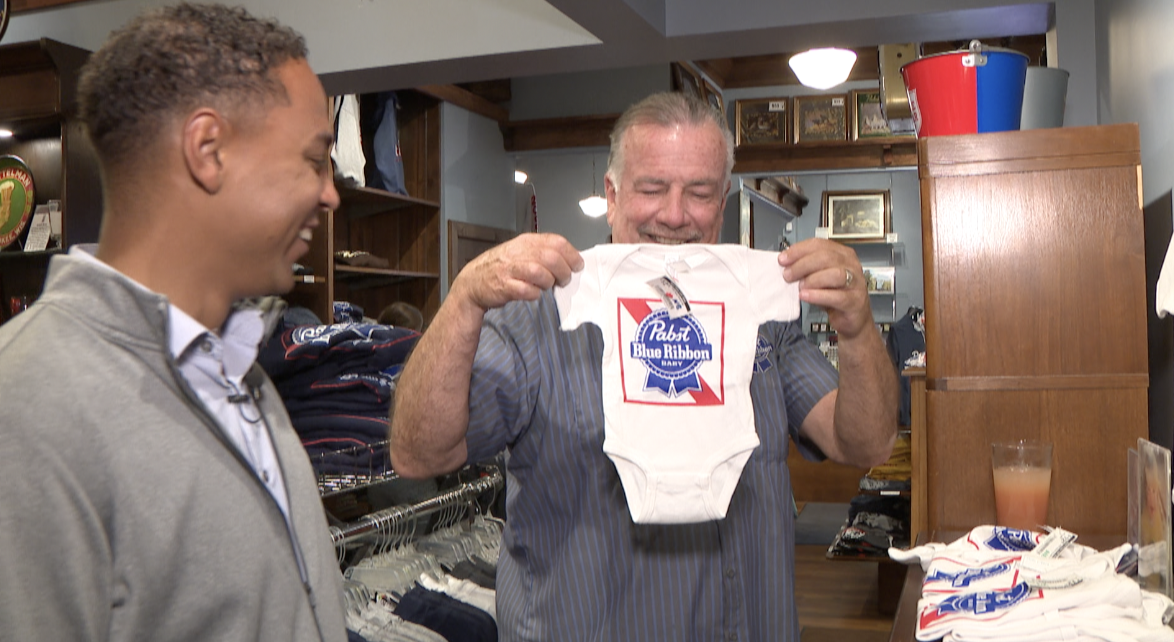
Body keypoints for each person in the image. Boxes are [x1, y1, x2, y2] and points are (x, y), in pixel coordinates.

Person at [391, 91, 898, 641]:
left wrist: (856, 326)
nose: (674, 215)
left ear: (722, 199)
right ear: (612, 196)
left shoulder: (763, 318)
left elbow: (864, 443)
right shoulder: (535, 316)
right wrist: (463, 300)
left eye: (699, 193)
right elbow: (418, 453)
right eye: (652, 189)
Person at [0, 4, 347, 641]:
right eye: (315, 159)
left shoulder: (242, 374)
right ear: (208, 150)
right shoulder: (25, 407)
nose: (330, 193)